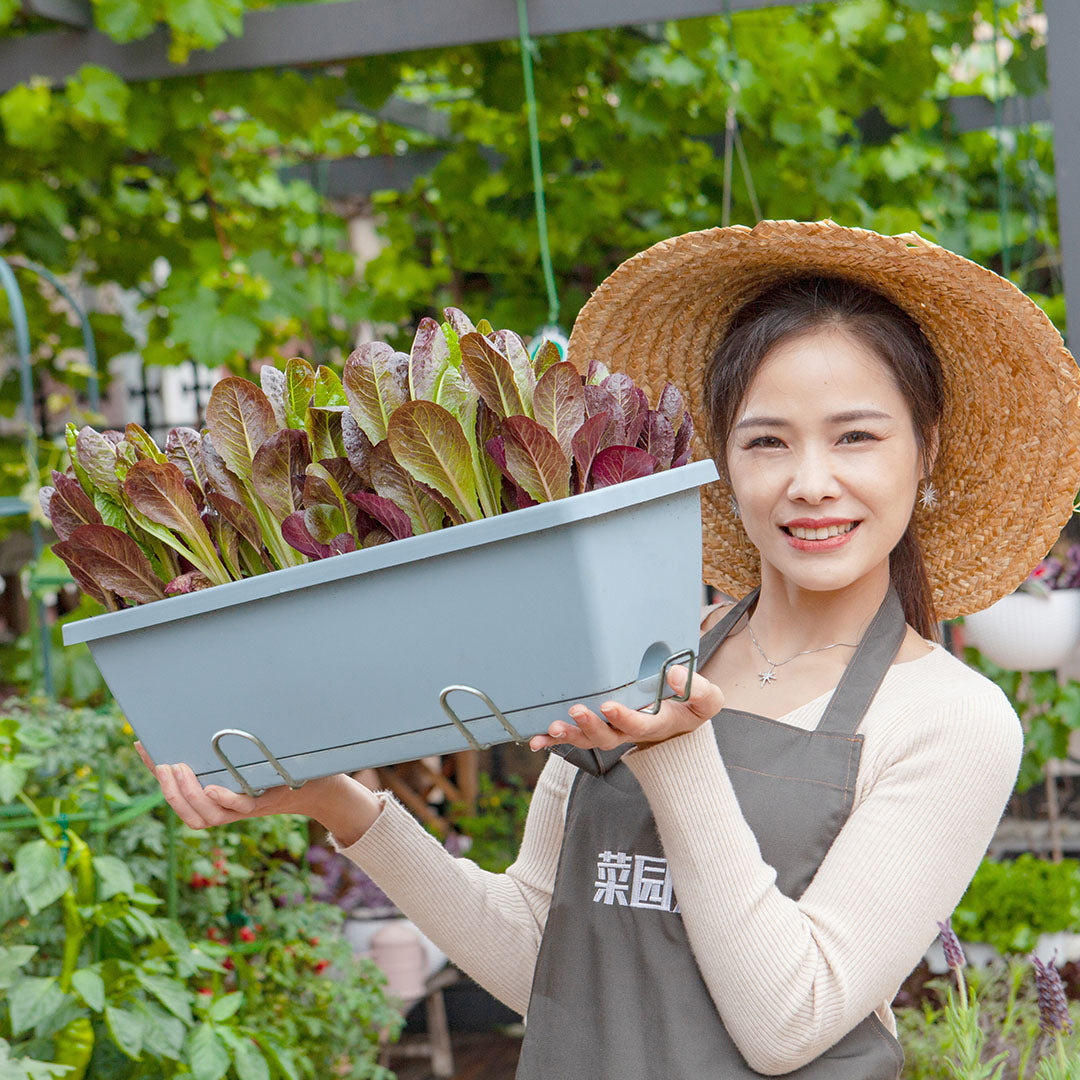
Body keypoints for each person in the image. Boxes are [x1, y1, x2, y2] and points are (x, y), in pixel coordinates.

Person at [138, 220, 1080, 1078]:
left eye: (857, 437)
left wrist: (677, 757)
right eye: (767, 442)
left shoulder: (952, 721)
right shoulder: (641, 649)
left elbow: (790, 1020)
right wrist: (340, 804)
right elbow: (538, 955)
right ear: (722, 460)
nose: (810, 482)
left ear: (926, 449)